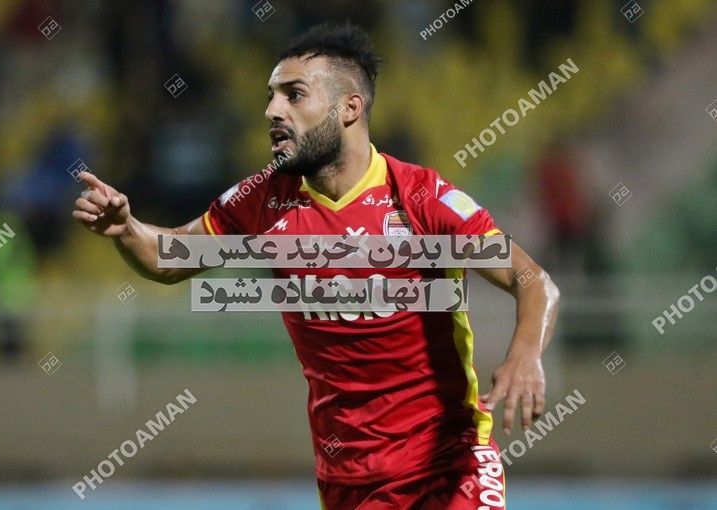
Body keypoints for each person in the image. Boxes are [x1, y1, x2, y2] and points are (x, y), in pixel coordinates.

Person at [72, 22, 559, 510]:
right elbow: (168, 257)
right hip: (346, 481)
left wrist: (525, 353)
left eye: (293, 95)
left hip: (448, 466)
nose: (272, 110)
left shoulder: (419, 198)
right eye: (270, 96)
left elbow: (533, 279)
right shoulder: (264, 199)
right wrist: (127, 228)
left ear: (349, 108)